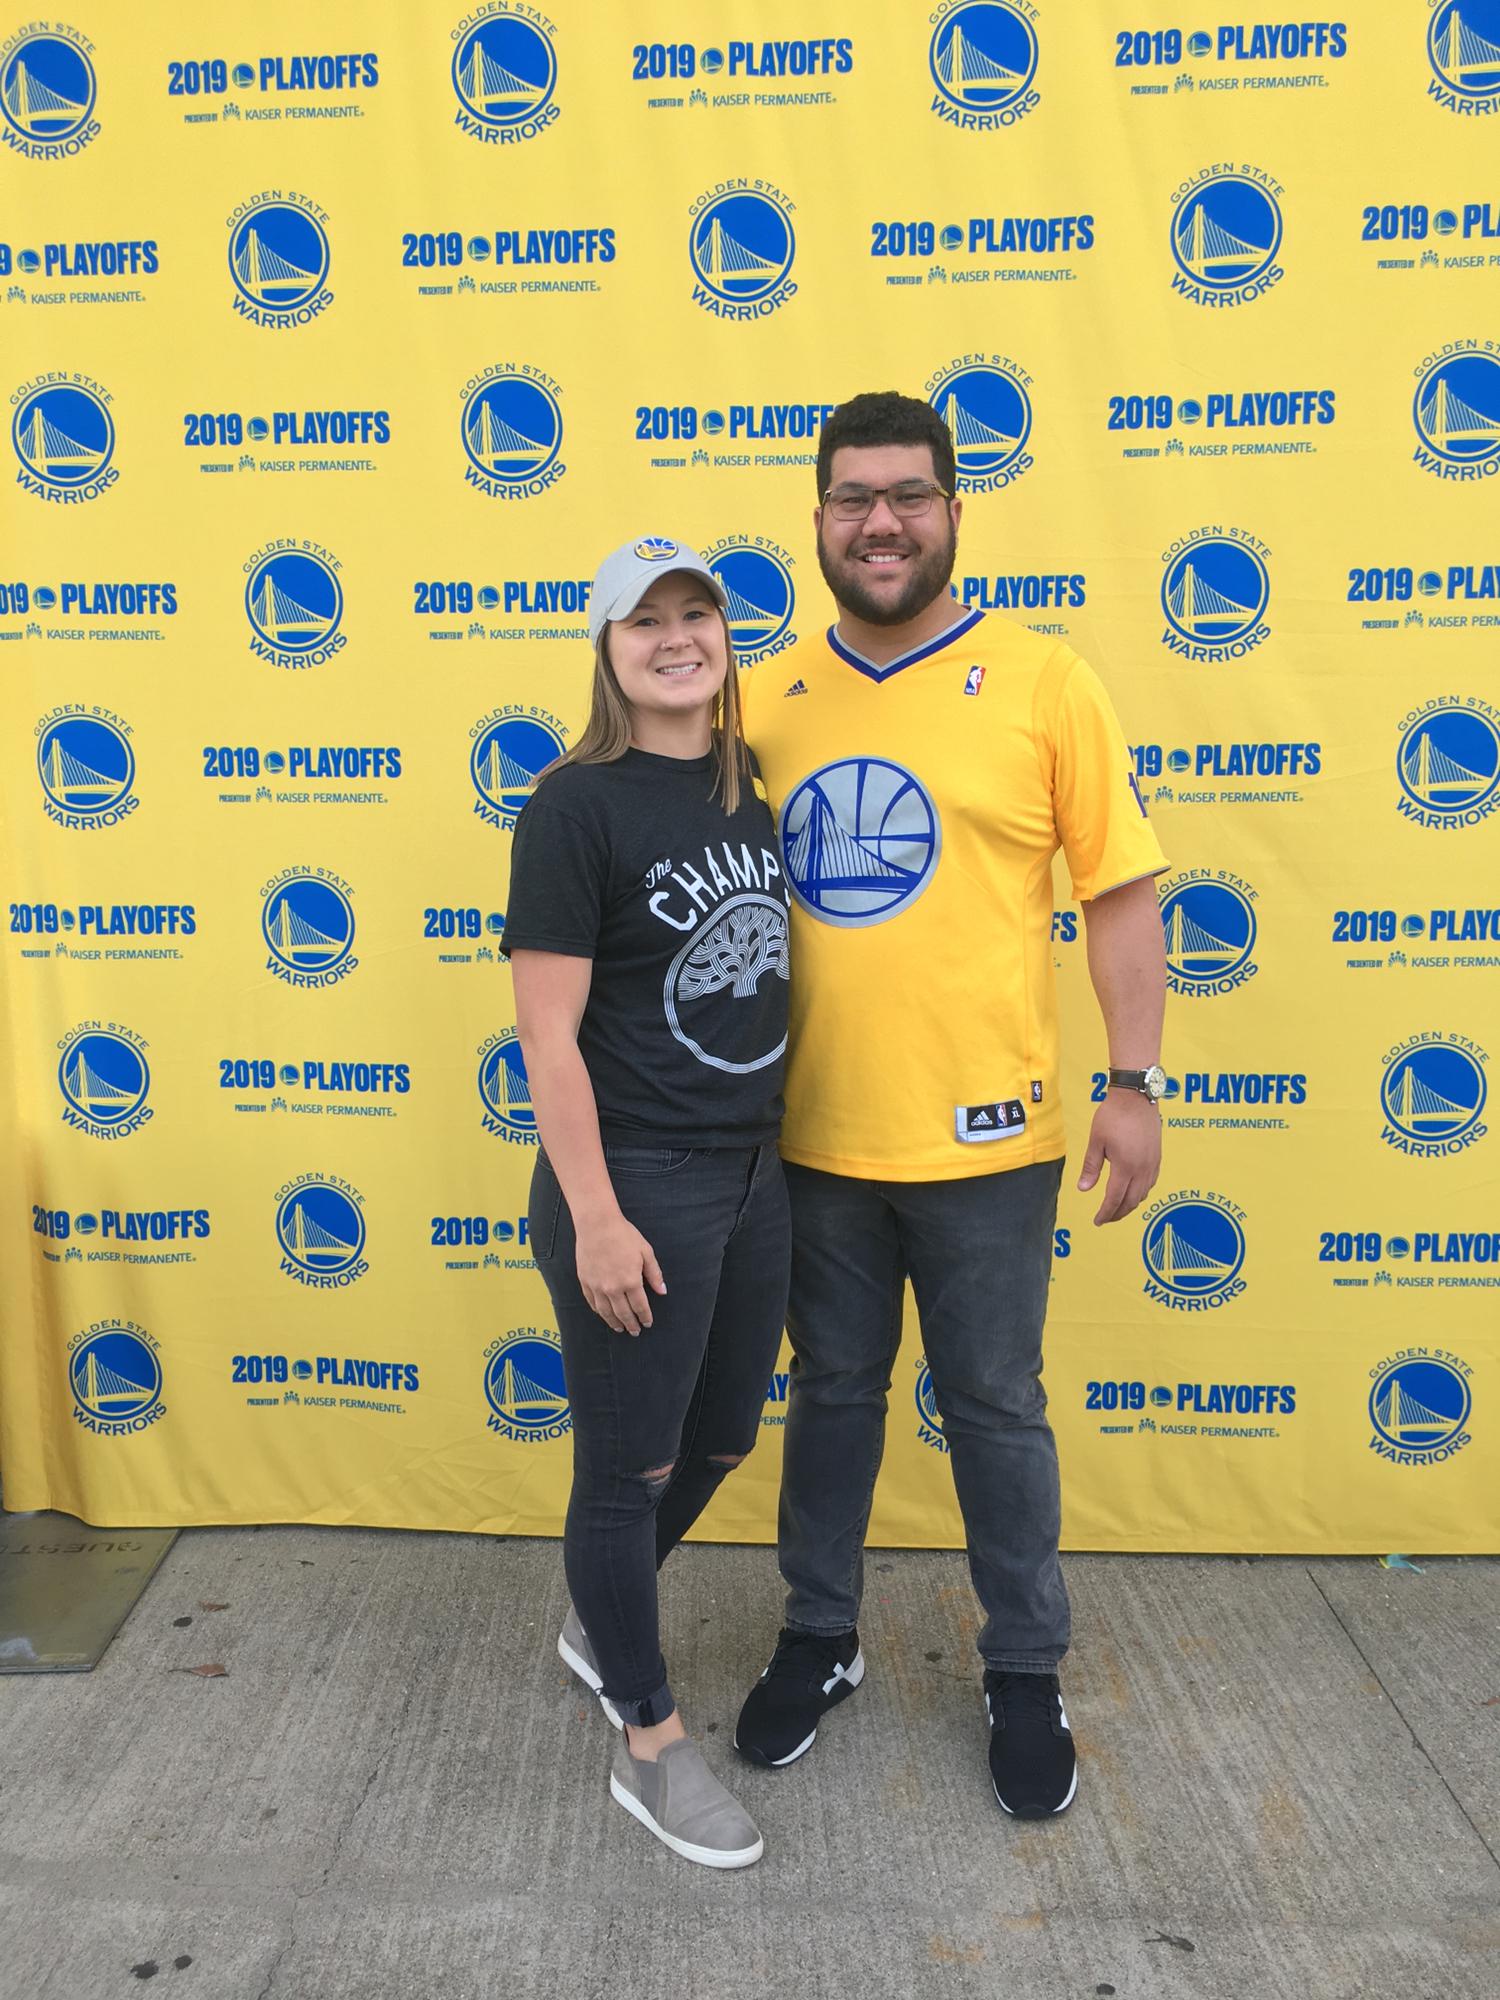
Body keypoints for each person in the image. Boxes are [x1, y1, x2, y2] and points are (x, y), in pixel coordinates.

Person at [733, 392, 1169, 1820]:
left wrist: (1132, 1082)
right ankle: (820, 1635)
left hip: (989, 1142)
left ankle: (1025, 1668)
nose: (882, 523)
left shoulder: (1045, 682)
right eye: (854, 498)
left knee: (994, 1406)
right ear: (817, 518)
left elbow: (1120, 893)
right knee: (832, 1396)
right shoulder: (762, 700)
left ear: (953, 511)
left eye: (909, 495)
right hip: (810, 1138)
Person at [504, 535, 791, 1869]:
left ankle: (597, 1621)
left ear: (725, 636)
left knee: (721, 1439)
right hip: (637, 1183)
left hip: (754, 1174)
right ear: (608, 650)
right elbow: (547, 1037)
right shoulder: (575, 806)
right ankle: (651, 1744)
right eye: (645, 621)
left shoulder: (751, 784)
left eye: (697, 613)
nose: (677, 638)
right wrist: (598, 1216)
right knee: (628, 1477)